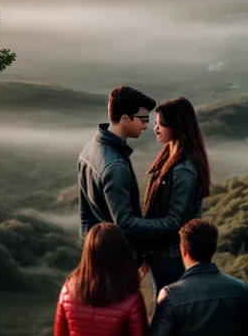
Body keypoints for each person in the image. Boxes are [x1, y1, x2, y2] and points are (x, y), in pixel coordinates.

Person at [78, 85, 187, 248]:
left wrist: (92, 254)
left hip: (98, 252)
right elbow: (125, 223)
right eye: (143, 120)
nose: (145, 126)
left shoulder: (89, 149)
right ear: (124, 120)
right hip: (117, 256)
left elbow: (85, 218)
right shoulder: (115, 166)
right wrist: (171, 224)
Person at [142, 97, 210, 291]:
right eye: (155, 123)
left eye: (160, 124)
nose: (155, 128)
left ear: (176, 126)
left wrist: (133, 224)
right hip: (163, 254)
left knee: (168, 311)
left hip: (172, 256)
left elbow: (175, 222)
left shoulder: (184, 170)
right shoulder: (168, 159)